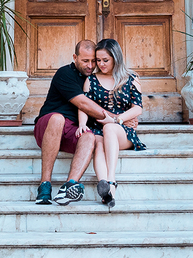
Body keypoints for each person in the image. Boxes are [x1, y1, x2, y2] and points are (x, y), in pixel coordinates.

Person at [33, 39, 126, 205]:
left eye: (93, 61)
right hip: (49, 126)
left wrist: (126, 118)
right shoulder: (65, 73)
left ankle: (69, 186)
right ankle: (44, 185)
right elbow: (84, 104)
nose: (90, 66)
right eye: (85, 61)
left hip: (73, 130)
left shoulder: (95, 80)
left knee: (90, 137)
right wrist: (117, 118)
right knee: (58, 119)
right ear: (75, 57)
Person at [77, 38, 145, 210]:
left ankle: (111, 181)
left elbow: (138, 108)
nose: (101, 64)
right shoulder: (91, 80)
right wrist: (82, 124)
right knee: (98, 144)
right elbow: (84, 105)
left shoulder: (131, 78)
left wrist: (117, 119)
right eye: (98, 60)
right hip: (97, 129)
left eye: (105, 60)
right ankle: (104, 188)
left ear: (116, 58)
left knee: (109, 128)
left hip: (123, 131)